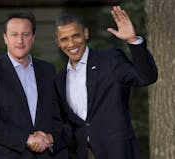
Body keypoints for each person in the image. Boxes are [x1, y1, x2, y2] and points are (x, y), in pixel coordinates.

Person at [33, 6, 158, 159]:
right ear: (57, 42)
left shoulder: (110, 60)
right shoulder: (60, 80)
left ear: (85, 33)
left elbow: (146, 77)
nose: (71, 43)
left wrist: (133, 41)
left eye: (75, 36)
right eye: (64, 39)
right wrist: (50, 139)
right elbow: (72, 126)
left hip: (119, 152)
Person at [0, 12, 68, 159]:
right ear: (5, 38)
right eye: (14, 34)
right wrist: (26, 138)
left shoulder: (47, 70)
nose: (20, 41)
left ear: (33, 38)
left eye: (26, 34)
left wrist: (50, 138)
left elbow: (57, 116)